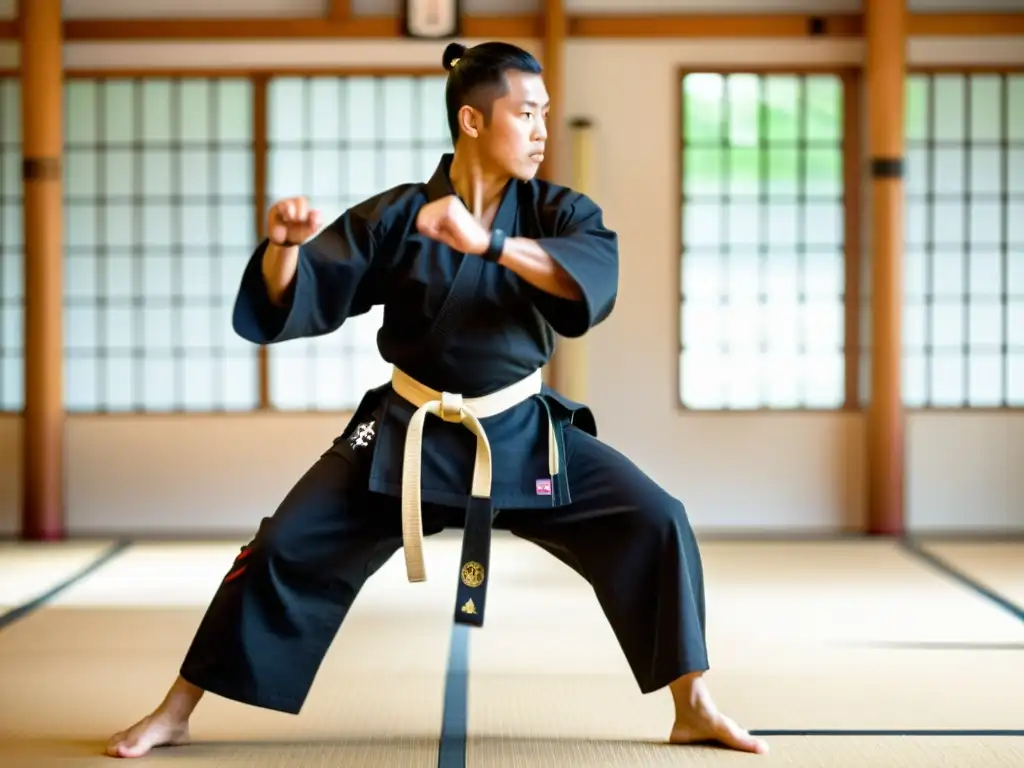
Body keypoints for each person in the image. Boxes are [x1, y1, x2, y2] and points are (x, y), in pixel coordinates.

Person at [105, 41, 768, 758]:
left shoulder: (558, 211)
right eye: (526, 113)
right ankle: (176, 709)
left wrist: (488, 245)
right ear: (473, 121)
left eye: (546, 114)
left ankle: (693, 703)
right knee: (280, 546)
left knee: (657, 520)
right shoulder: (398, 217)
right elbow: (297, 297)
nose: (543, 130)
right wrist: (282, 249)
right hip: (407, 434)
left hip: (520, 432)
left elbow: (588, 283)